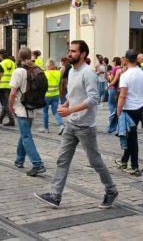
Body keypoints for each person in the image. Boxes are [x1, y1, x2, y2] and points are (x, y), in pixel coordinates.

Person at [35, 40, 118, 209]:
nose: (69, 53)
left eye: (73, 51)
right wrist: (67, 104)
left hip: (85, 126)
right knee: (62, 160)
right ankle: (55, 195)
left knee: (95, 162)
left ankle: (111, 190)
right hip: (71, 125)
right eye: (69, 50)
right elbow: (75, 94)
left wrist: (70, 109)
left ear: (83, 54)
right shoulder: (71, 70)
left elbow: (93, 98)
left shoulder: (88, 73)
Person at [10, 47, 47, 176]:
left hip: (21, 108)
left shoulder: (18, 71)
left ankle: (37, 163)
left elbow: (13, 93)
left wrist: (11, 107)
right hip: (32, 106)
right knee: (24, 134)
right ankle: (20, 159)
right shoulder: (36, 69)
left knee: (26, 136)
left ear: (19, 56)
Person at [115, 49, 143, 176]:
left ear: (125, 59)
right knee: (131, 135)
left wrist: (118, 112)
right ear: (136, 59)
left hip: (128, 109)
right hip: (139, 109)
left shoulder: (125, 75)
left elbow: (122, 96)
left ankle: (134, 166)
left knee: (132, 138)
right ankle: (124, 160)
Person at [42, 58, 64, 134]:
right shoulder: (58, 73)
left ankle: (46, 128)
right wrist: (61, 93)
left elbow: (42, 85)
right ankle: (61, 125)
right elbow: (60, 85)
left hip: (46, 95)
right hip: (55, 95)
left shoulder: (45, 73)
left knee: (45, 111)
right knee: (55, 111)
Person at [0, 49, 16, 126]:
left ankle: (11, 119)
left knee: (6, 103)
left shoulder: (1, 64)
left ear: (1, 55)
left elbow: (0, 75)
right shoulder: (13, 63)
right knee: (6, 103)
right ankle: (0, 119)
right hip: (12, 84)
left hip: (3, 85)